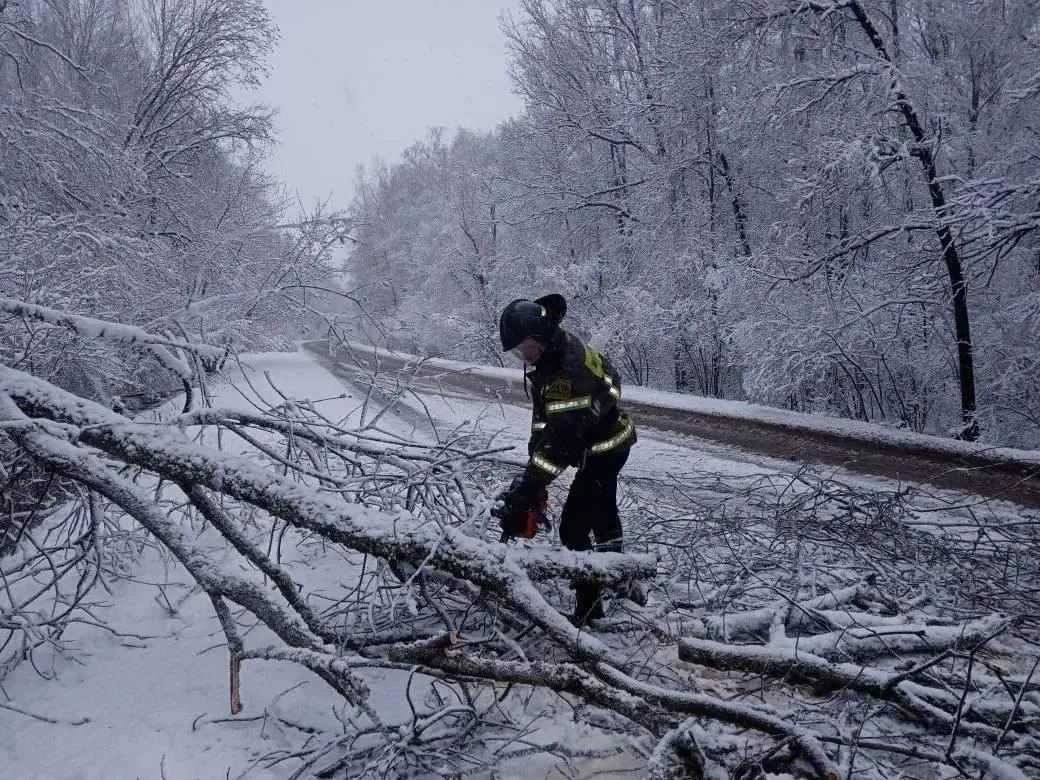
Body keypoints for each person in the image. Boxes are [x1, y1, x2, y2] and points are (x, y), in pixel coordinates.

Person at [493, 293, 637, 625]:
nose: (523, 357)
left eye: (525, 348)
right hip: (596, 441)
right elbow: (546, 422)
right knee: (601, 512)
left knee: (572, 529)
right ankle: (620, 576)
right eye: (517, 353)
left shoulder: (567, 372)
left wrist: (528, 487)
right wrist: (533, 463)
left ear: (540, 334)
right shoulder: (552, 357)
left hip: (604, 449)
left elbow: (559, 444)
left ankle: (590, 609)